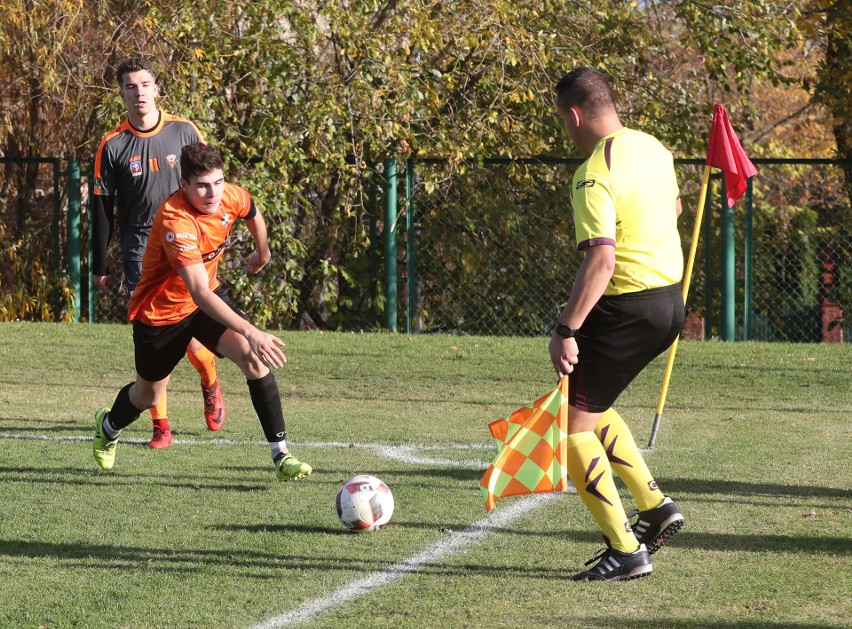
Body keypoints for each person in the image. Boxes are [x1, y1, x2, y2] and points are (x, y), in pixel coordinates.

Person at [92, 141, 312, 482]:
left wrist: (263, 252)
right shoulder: (175, 220)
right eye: (202, 186)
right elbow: (197, 291)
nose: (213, 193)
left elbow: (251, 210)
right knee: (147, 395)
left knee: (252, 359)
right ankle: (109, 426)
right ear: (184, 186)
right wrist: (253, 330)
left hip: (204, 302)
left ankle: (281, 455)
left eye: (218, 182)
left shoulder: (228, 195)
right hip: (162, 315)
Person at [548, 67, 685, 581]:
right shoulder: (654, 148)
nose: (566, 129)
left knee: (569, 428)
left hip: (626, 306)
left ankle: (625, 549)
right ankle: (655, 508)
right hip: (670, 301)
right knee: (589, 404)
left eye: (563, 120)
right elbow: (672, 207)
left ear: (576, 114)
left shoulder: (592, 172)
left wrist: (566, 328)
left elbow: (601, 262)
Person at [92, 57, 226, 448]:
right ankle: (161, 426)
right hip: (141, 257)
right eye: (130, 86)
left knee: (195, 345)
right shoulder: (113, 145)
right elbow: (102, 206)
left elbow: (209, 183)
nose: (139, 93)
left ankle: (209, 376)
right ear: (121, 93)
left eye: (145, 84)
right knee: (158, 343)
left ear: (156, 88)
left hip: (187, 250)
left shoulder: (184, 131)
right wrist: (100, 262)